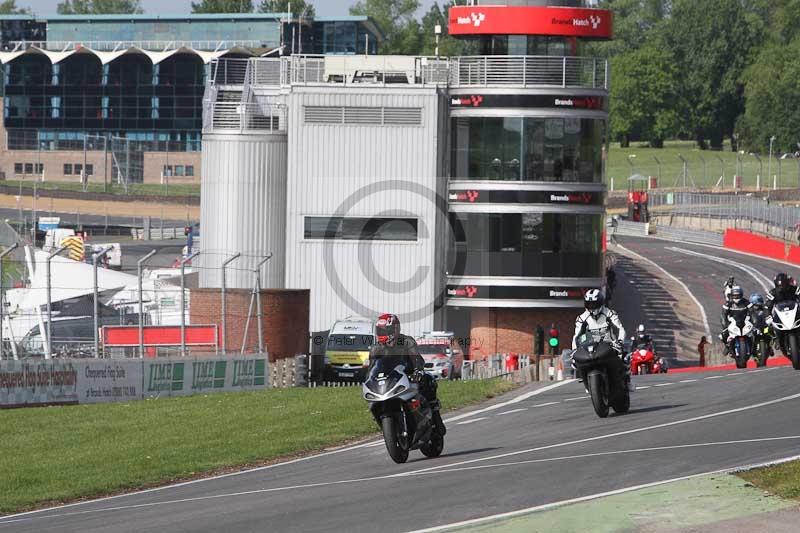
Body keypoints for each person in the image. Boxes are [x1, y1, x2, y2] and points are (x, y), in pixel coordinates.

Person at [368, 313, 446, 435]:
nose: (382, 334)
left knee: (428, 380)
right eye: (380, 331)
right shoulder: (376, 349)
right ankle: (384, 421)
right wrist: (369, 380)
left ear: (395, 329)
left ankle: (435, 415)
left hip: (409, 376)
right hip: (391, 381)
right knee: (374, 401)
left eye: (385, 330)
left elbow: (417, 359)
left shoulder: (407, 341)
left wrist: (417, 370)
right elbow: (372, 368)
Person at [572, 289, 632, 391]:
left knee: (624, 358)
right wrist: (574, 350)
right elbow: (576, 336)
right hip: (591, 346)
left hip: (609, 344)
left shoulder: (610, 314)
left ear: (601, 303)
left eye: (594, 304)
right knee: (576, 362)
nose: (592, 307)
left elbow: (620, 328)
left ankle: (627, 382)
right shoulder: (581, 318)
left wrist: (620, 341)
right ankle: (587, 382)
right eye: (589, 304)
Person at [766, 273, 800, 355]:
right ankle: (777, 340)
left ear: (787, 283)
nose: (782, 286)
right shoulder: (772, 293)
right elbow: (767, 306)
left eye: (784, 284)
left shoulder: (795, 289)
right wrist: (768, 315)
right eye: (780, 285)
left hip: (795, 312)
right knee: (769, 327)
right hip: (780, 315)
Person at [720, 286, 751, 355]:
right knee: (723, 335)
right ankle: (727, 346)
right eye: (735, 296)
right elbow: (723, 315)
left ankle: (755, 347)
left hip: (745, 322)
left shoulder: (747, 302)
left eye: (738, 296)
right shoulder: (727, 304)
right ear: (732, 296)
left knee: (755, 332)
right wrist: (725, 325)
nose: (736, 298)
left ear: (741, 295)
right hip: (732, 323)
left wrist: (754, 321)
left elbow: (752, 312)